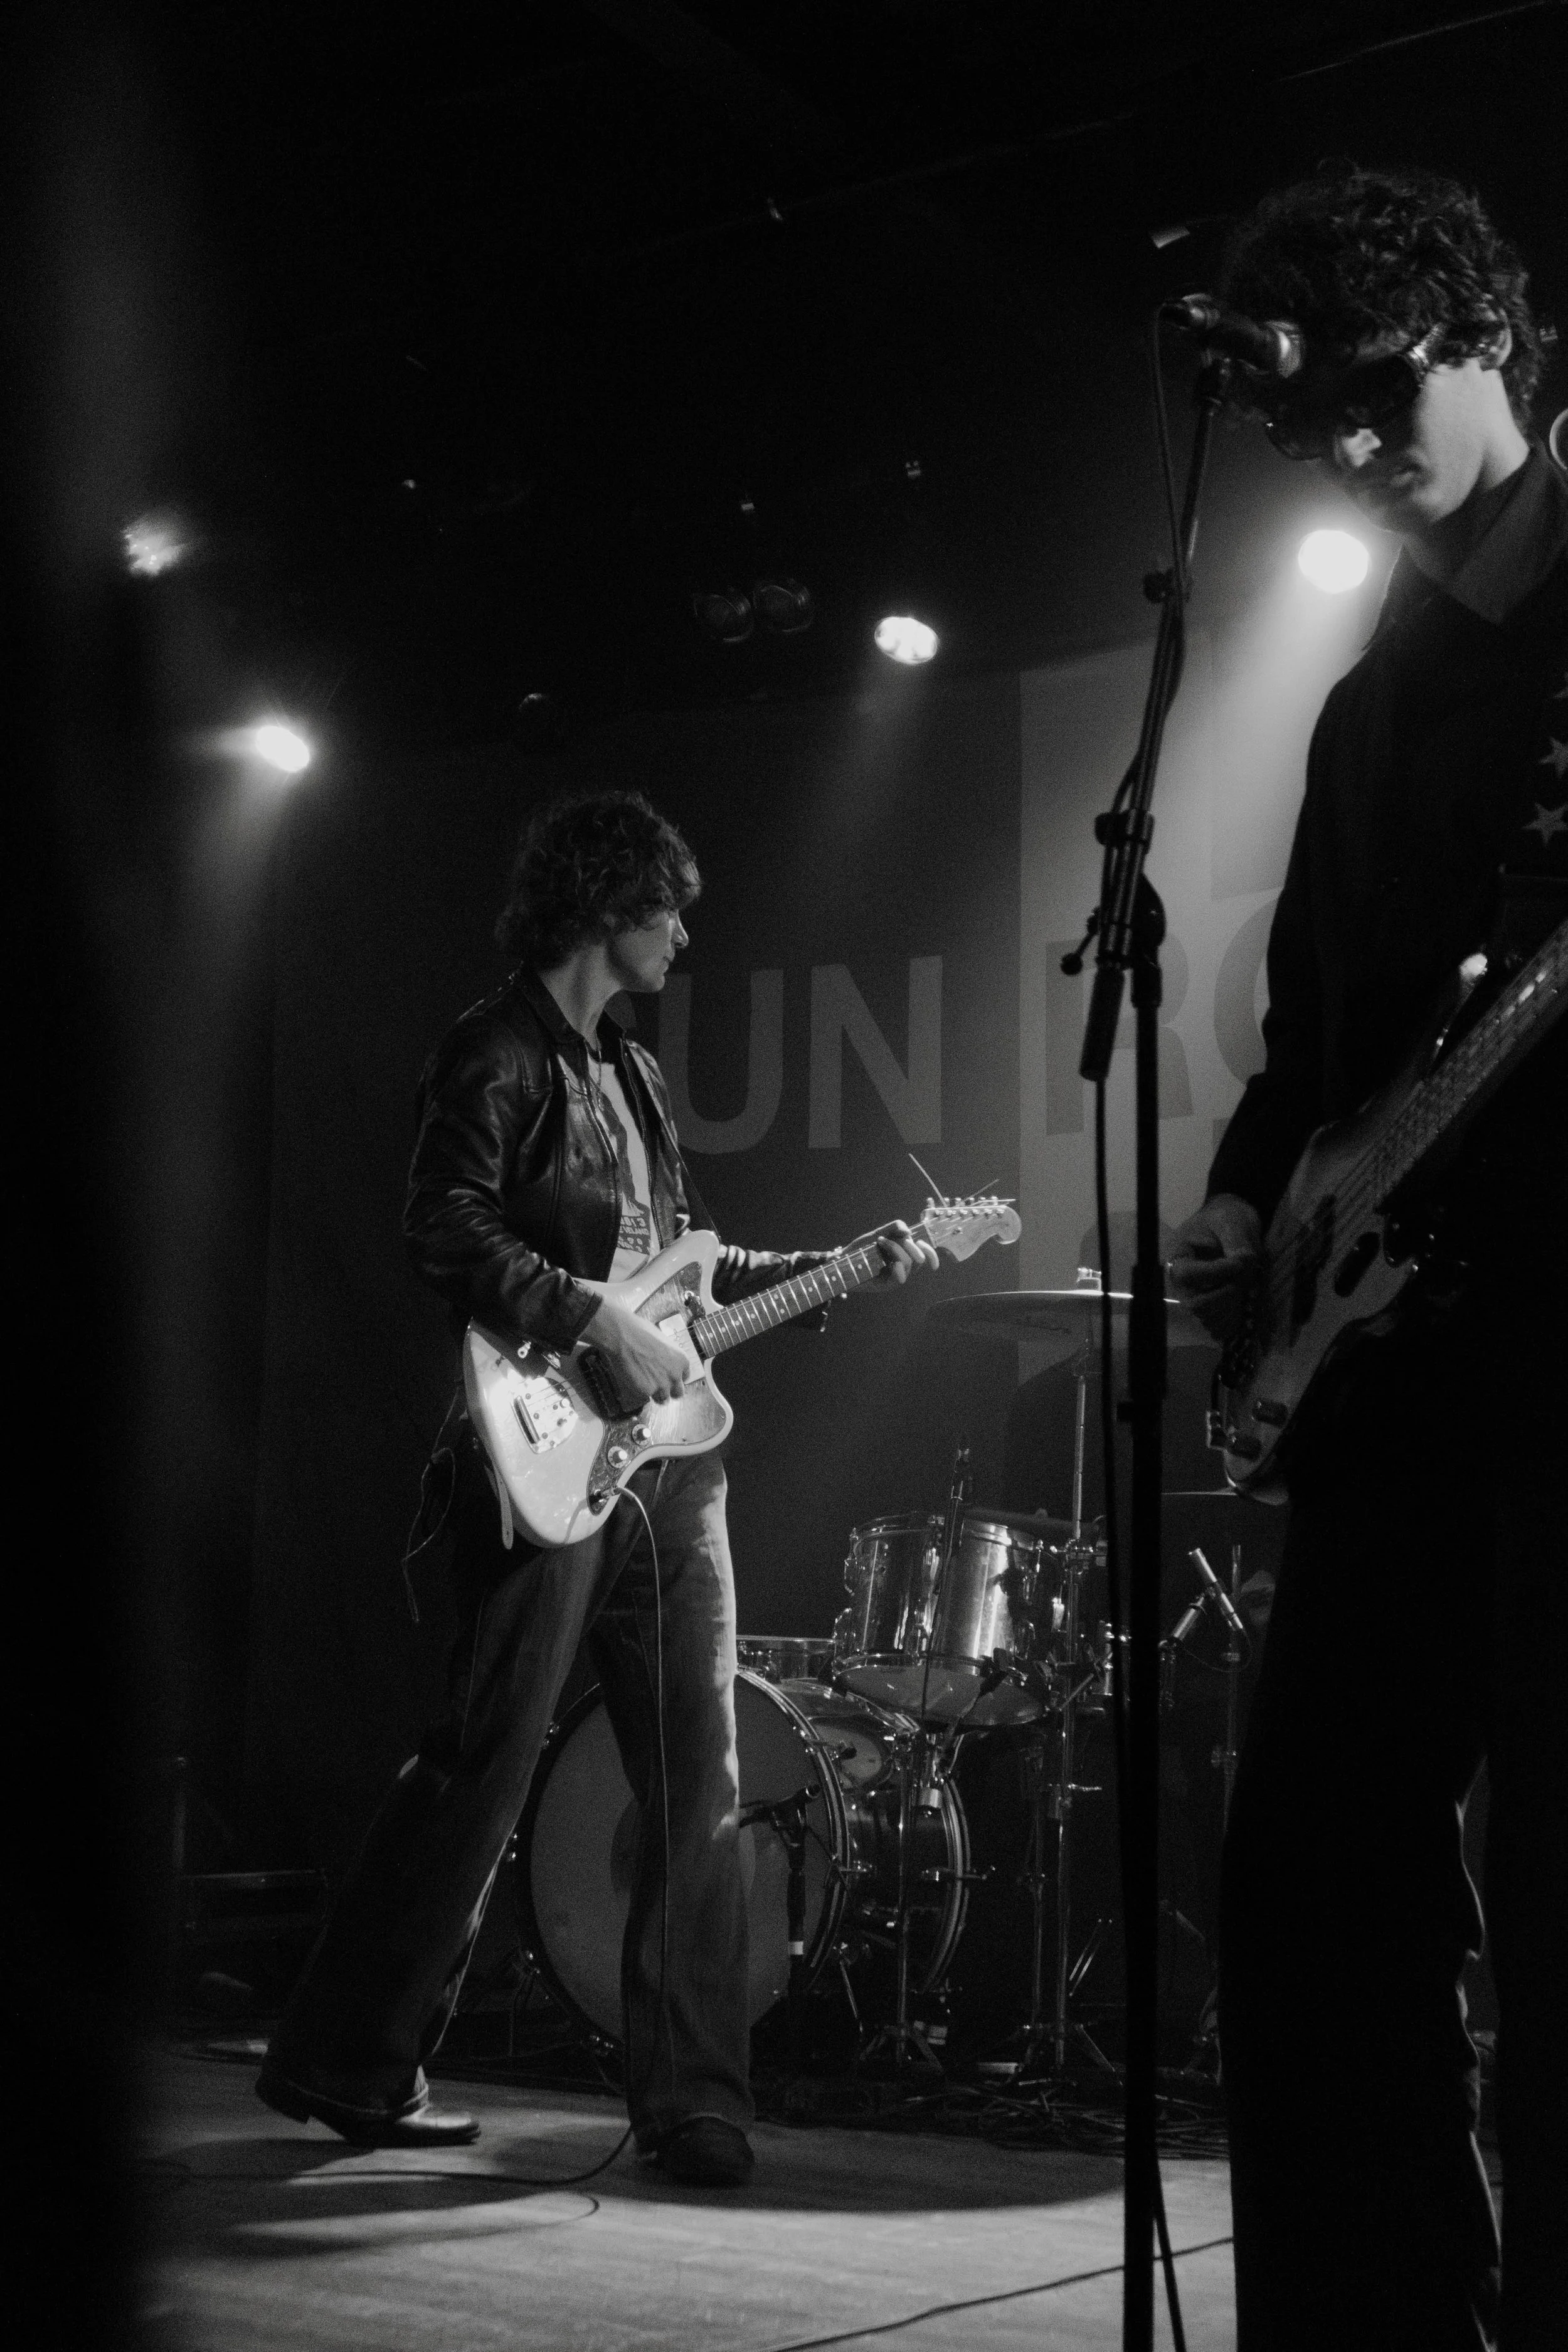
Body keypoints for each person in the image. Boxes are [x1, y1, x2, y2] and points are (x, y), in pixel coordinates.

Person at [257, 788, 935, 2186]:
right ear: (608, 903)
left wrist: (842, 1269)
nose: (687, 933)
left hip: (674, 1471)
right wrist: (578, 1318)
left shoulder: (630, 1078)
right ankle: (346, 2054)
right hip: (546, 1448)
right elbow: (439, 1224)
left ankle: (693, 2100)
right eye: (671, 907)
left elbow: (676, 1279)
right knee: (483, 1758)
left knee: (700, 1774)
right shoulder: (496, 1050)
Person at [1168, 164, 1567, 2351]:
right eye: (1311, 429)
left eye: (1382, 389)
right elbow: (1317, 1034)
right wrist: (1251, 1194)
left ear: (1489, 331)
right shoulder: (1363, 689)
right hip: (1389, 1373)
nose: (1355, 447)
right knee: (1311, 1891)